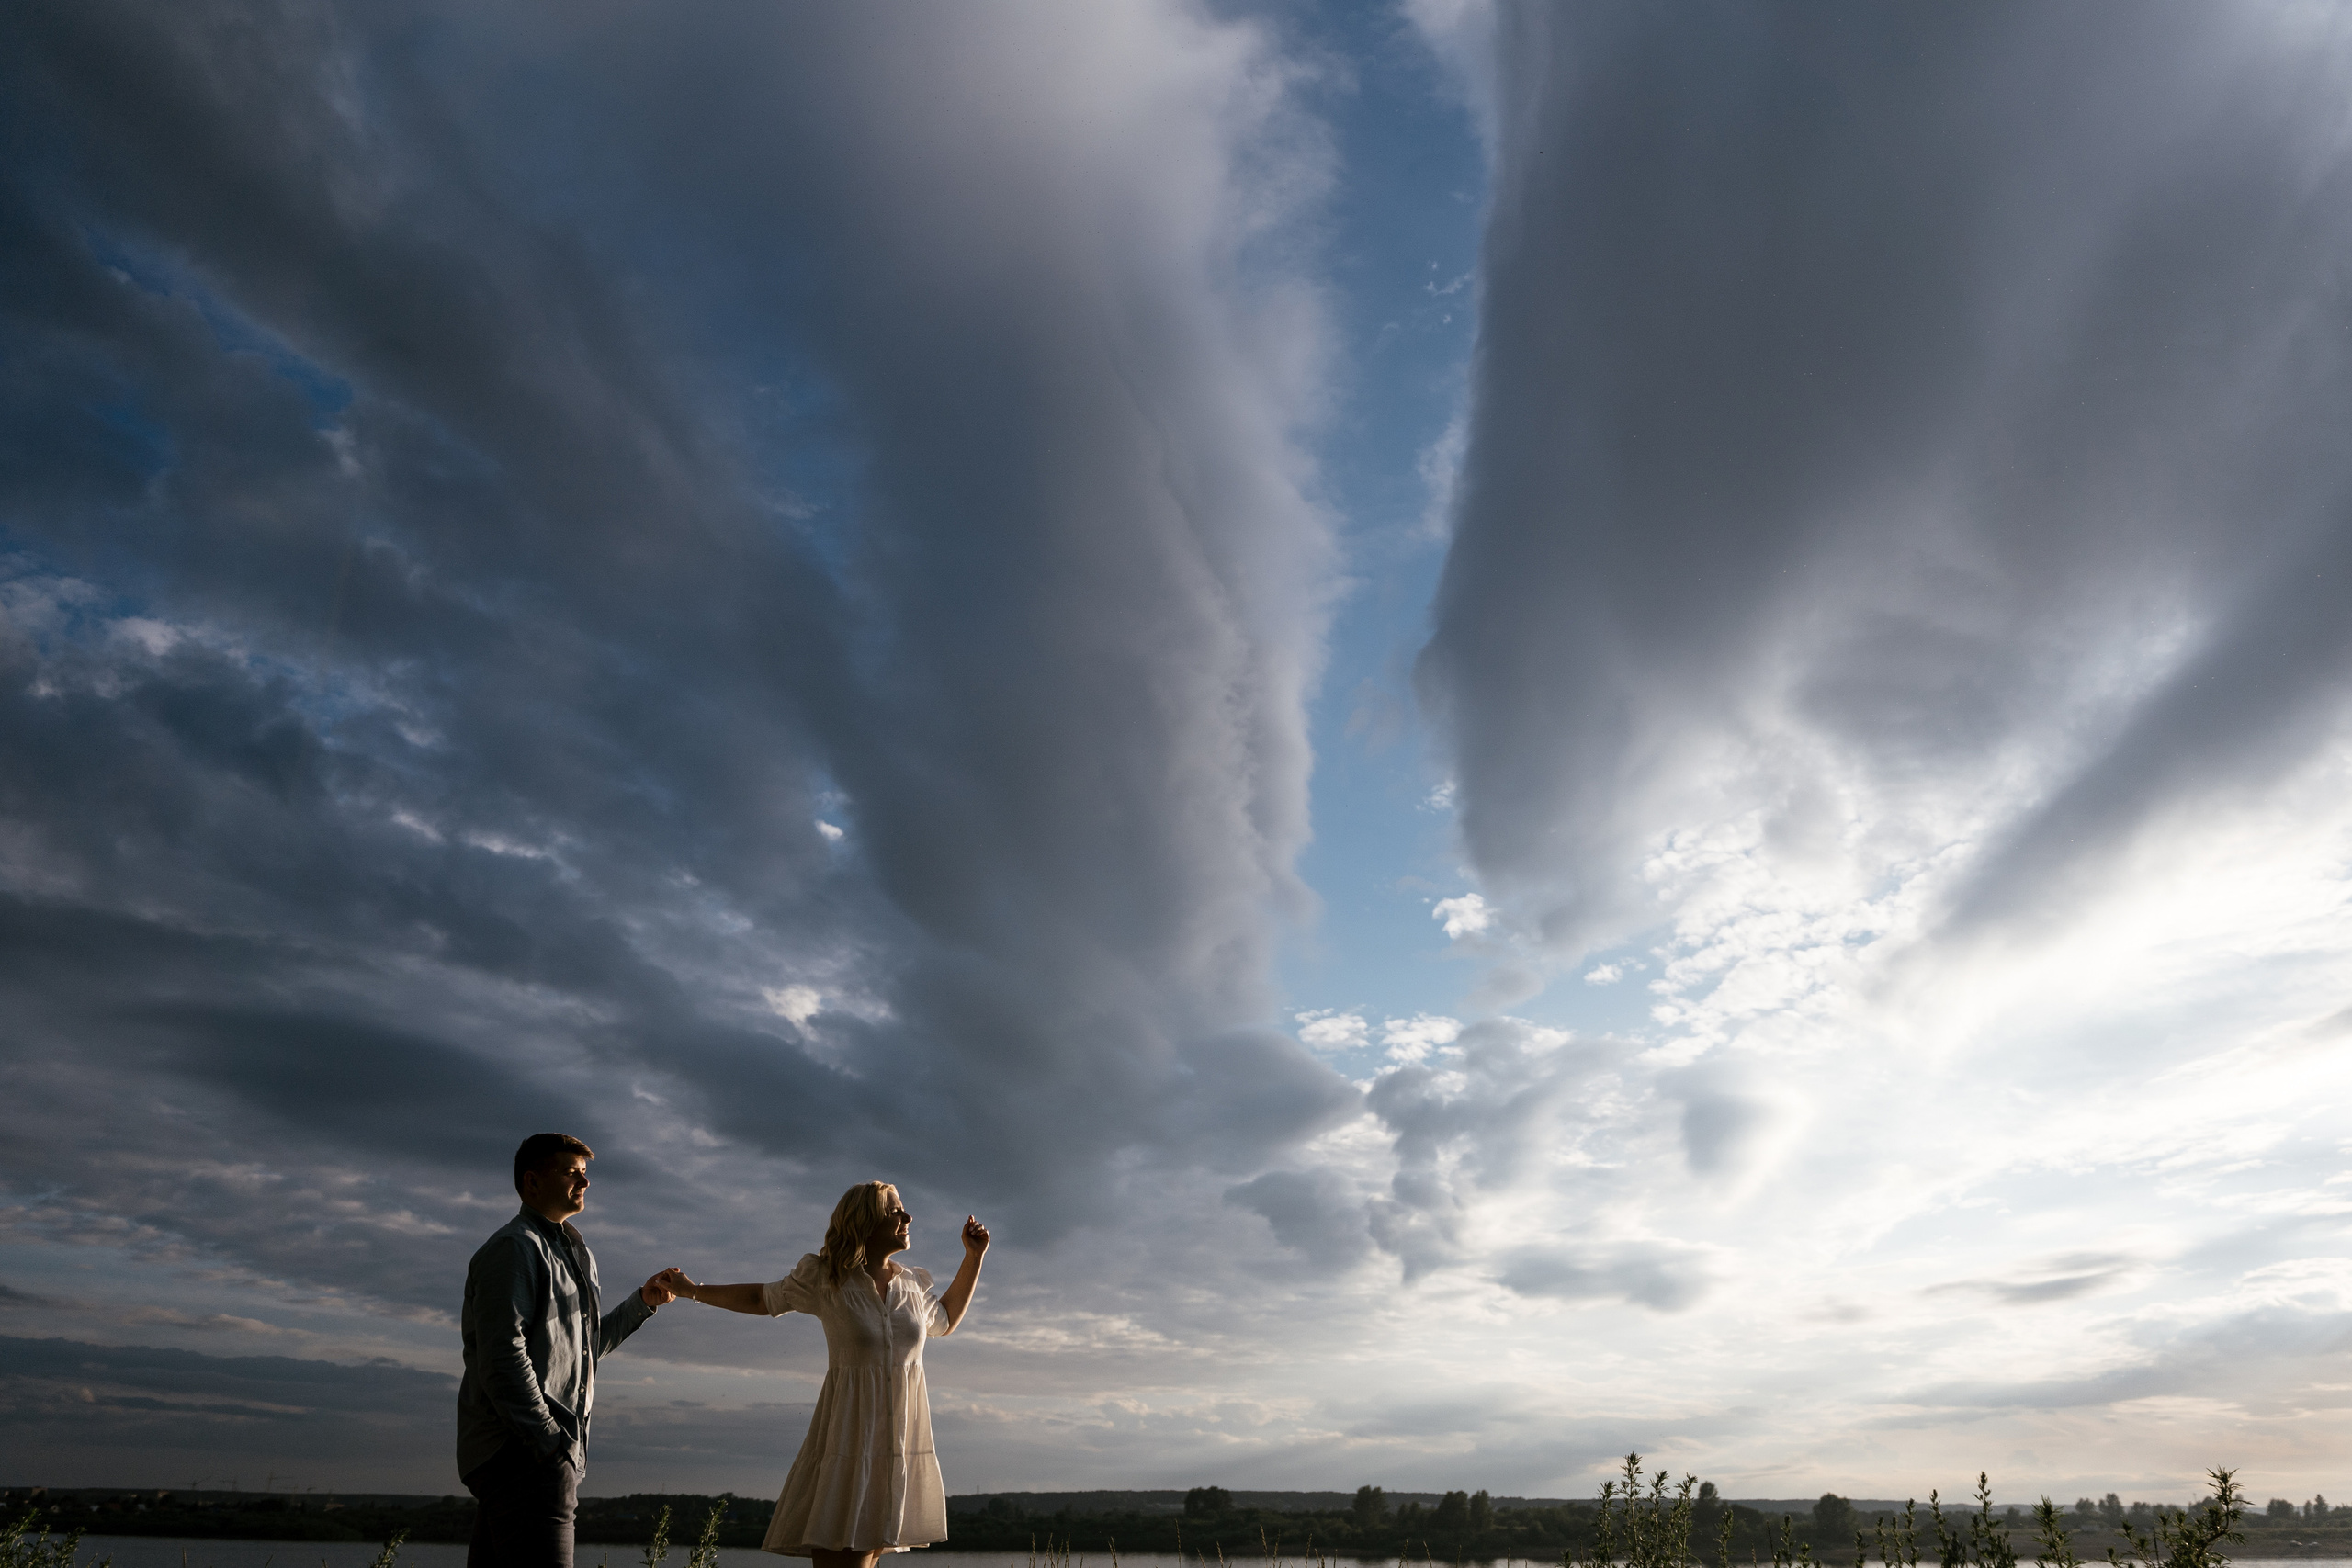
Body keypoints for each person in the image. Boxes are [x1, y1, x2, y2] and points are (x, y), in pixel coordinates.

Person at [673, 1181, 990, 1566]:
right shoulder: (826, 1278)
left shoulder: (912, 1284)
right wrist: (693, 1290)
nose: (908, 1217)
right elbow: (762, 1299)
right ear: (865, 1222)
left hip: (894, 1449)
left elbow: (946, 1319)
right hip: (847, 1442)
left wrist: (973, 1258)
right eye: (895, 1210)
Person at [458, 1132, 689, 1568]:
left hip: (535, 1456)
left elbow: (582, 1353)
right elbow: (502, 1357)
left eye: (584, 1174)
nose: (583, 1183)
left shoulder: (577, 1253)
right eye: (570, 1173)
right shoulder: (514, 1249)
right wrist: (549, 1443)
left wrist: (642, 1303)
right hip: (522, 1456)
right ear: (532, 1182)